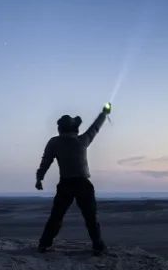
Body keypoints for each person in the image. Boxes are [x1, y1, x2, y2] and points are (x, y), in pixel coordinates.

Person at [36, 103, 112, 255]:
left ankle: (44, 244)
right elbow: (95, 127)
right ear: (74, 128)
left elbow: (46, 161)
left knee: (56, 217)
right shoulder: (82, 140)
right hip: (83, 183)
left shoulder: (54, 142)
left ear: (60, 128)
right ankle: (98, 246)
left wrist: (40, 178)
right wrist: (104, 114)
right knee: (90, 217)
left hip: (66, 184)